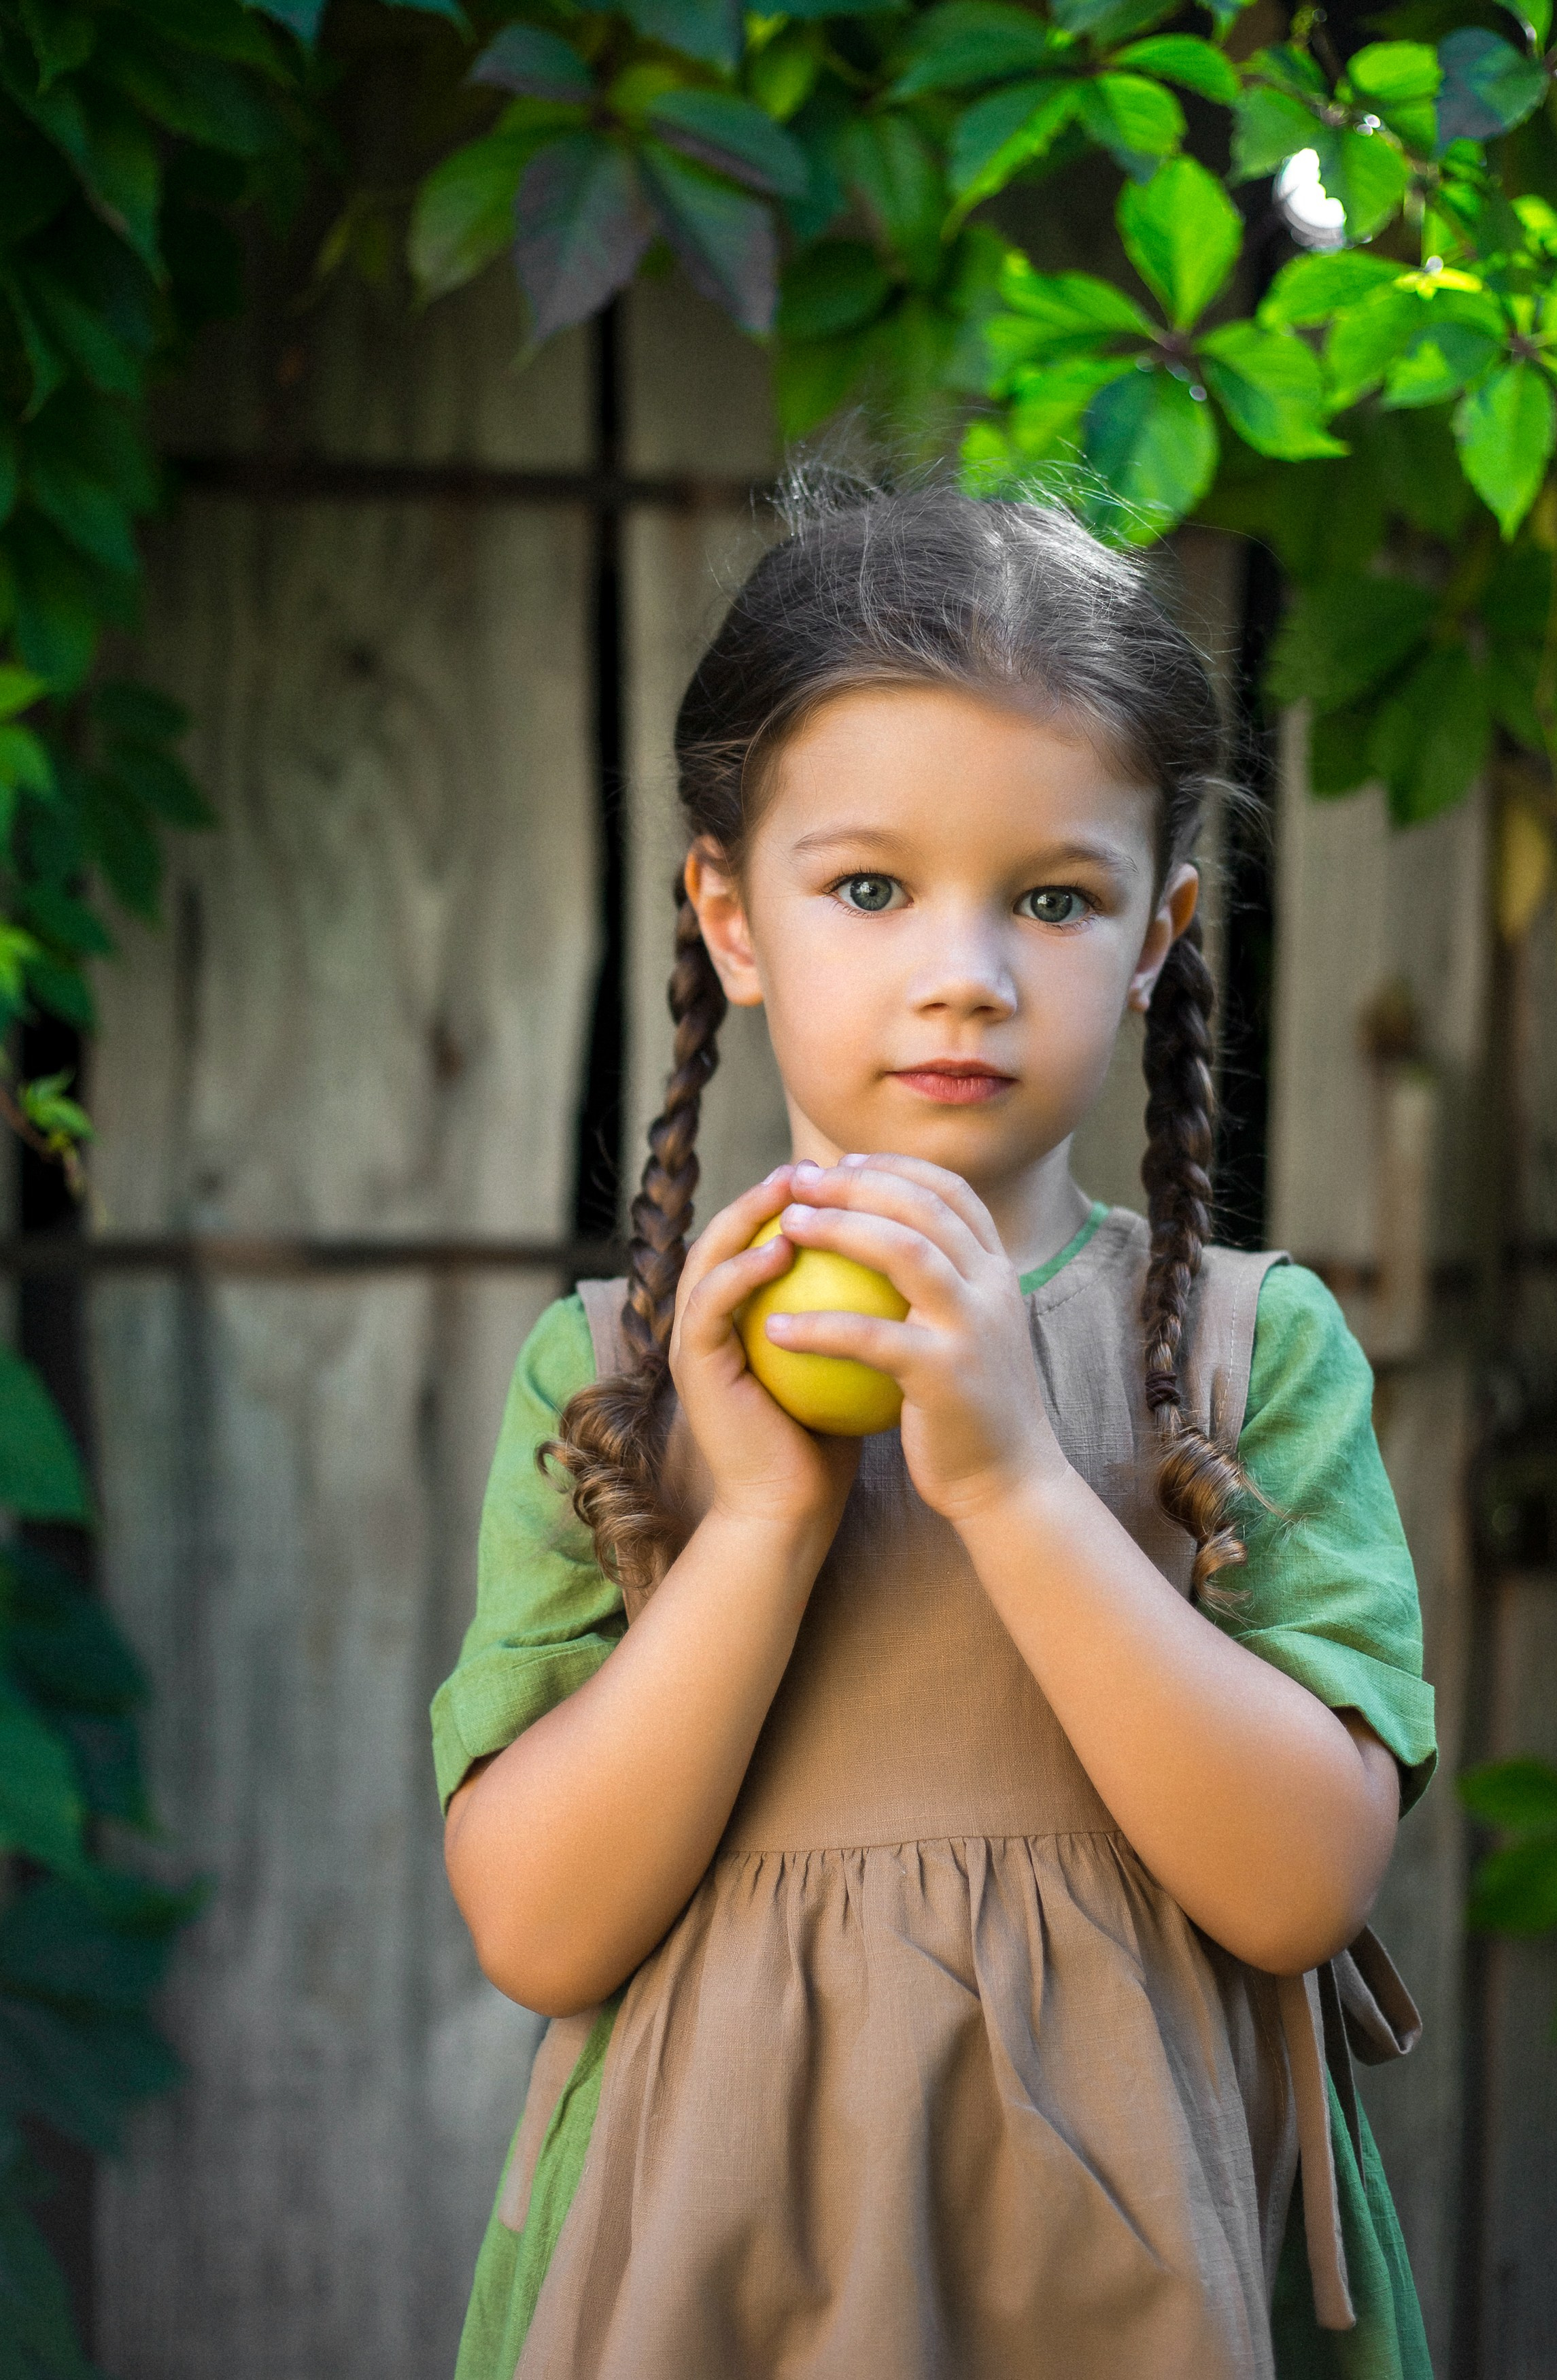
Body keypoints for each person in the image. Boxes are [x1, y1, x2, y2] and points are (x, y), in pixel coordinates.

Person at [432, 487, 1436, 2380]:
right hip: (705, 2260)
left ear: (1157, 929)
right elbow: (540, 1928)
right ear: (730, 910)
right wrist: (757, 1533)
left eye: (1052, 897)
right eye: (872, 887)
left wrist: (1008, 1480)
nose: (964, 967)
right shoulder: (620, 1377)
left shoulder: (1238, 1355)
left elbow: (1303, 1884)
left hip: (1147, 2261)